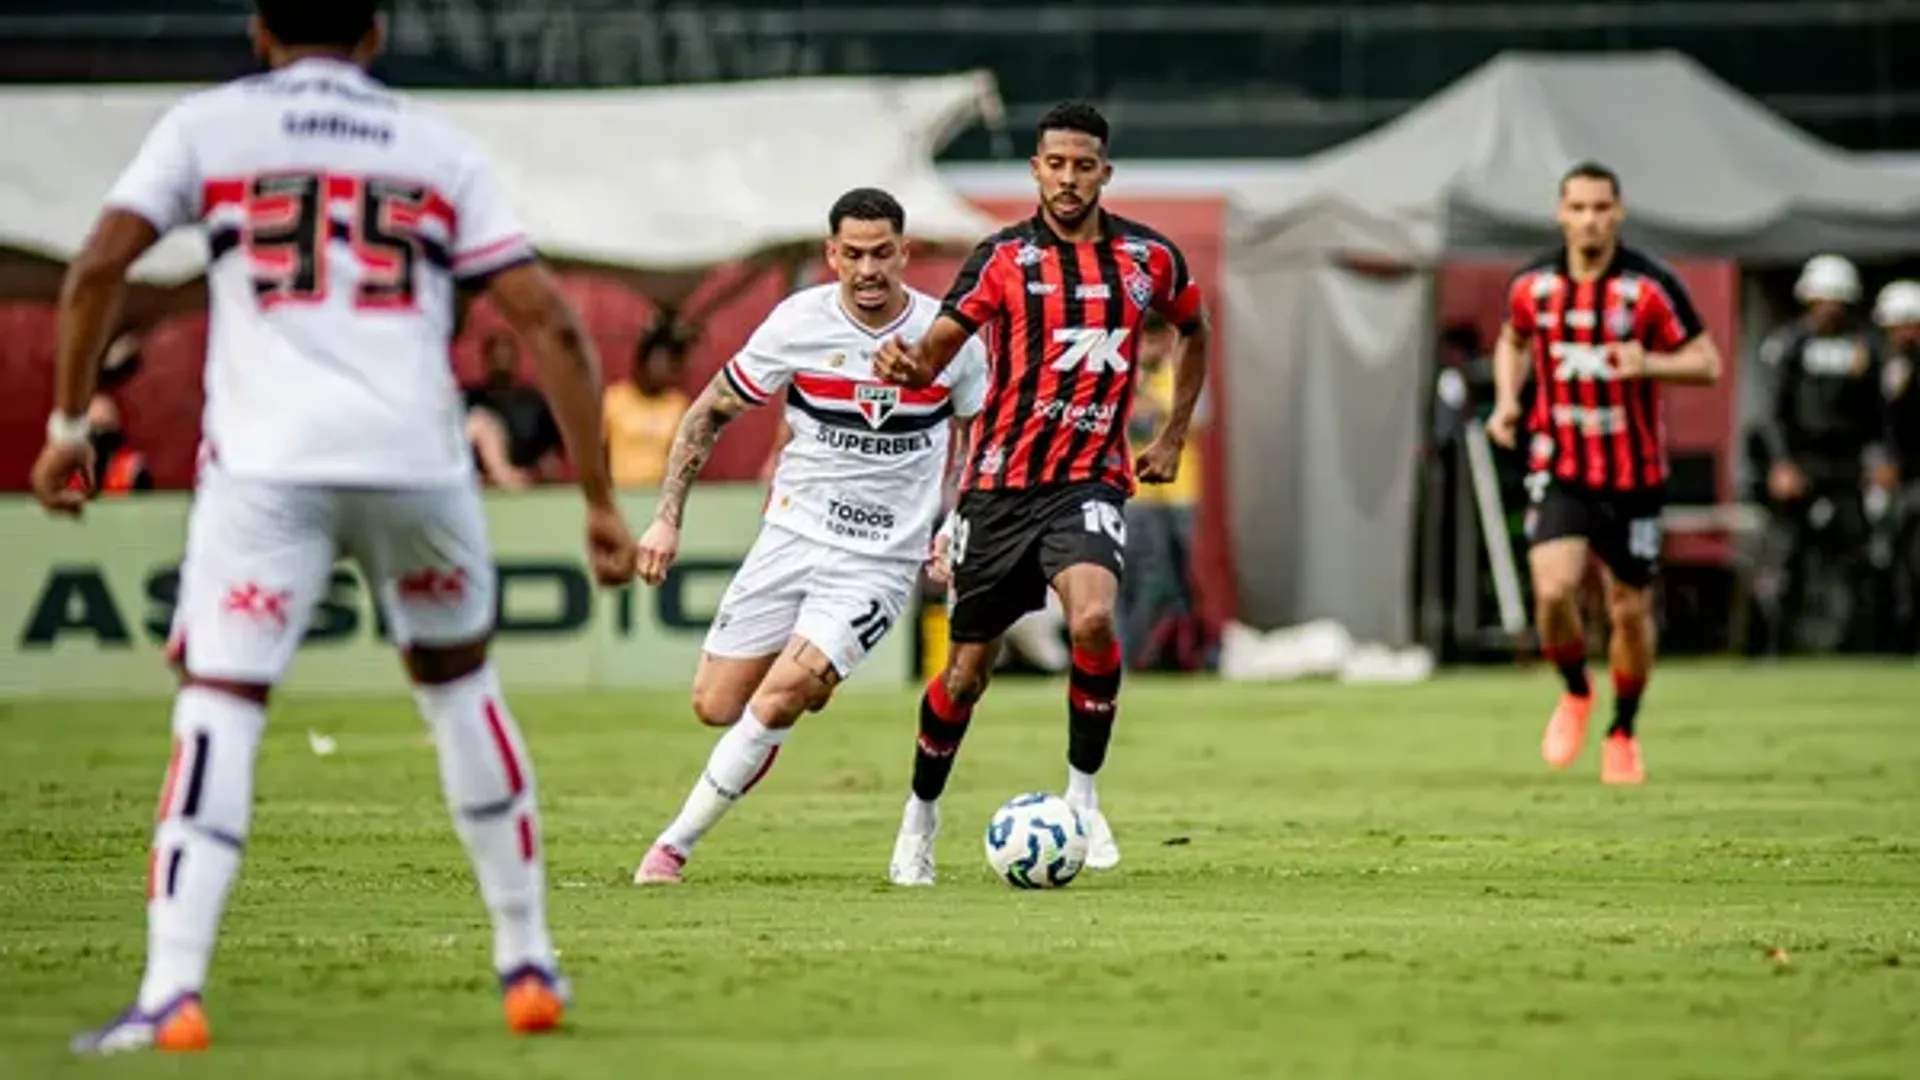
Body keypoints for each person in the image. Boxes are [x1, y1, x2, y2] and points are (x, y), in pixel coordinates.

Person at [30, 1, 638, 1053]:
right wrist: (595, 499)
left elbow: (94, 272)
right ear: (376, 34)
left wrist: (68, 426)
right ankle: (528, 961)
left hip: (267, 467)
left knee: (220, 706)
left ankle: (173, 990)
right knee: (460, 691)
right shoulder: (434, 144)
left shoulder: (209, 127)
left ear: (261, 31)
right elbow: (548, 322)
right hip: (416, 459)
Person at [873, 101, 1210, 884]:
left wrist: (1171, 434)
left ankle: (1083, 800)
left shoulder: (1146, 259)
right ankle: (919, 815)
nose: (1067, 179)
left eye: (1082, 165)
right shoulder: (998, 261)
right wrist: (906, 369)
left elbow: (1195, 328)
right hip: (998, 489)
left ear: (1104, 172)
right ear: (1035, 170)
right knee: (966, 675)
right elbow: (933, 358)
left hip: (1088, 478)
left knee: (1092, 619)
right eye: (1054, 165)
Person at [629, 187, 988, 885]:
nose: (868, 268)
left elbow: (983, 432)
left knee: (779, 697)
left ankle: (670, 849)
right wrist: (667, 516)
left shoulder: (946, 337)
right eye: (852, 254)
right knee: (716, 706)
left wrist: (958, 519)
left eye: (882, 252)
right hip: (789, 537)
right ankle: (810, 672)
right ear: (831, 255)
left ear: (904, 252)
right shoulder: (797, 324)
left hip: (879, 560)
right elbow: (708, 412)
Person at [1487, 160, 1721, 786]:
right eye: (1578, 208)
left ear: (1618, 213)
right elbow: (1512, 339)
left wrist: (1646, 362)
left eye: (1601, 208)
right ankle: (1574, 689)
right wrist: (1509, 402)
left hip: (1634, 476)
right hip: (1560, 464)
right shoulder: (1533, 286)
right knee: (1554, 591)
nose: (1589, 219)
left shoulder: (1647, 287)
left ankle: (1623, 728)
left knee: (1628, 611)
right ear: (1561, 214)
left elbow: (1707, 362)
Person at [1746, 255, 1896, 654]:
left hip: (1847, 464)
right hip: (1801, 461)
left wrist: (1879, 457)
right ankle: (1776, 647)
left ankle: (1862, 644)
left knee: (1859, 553)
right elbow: (1773, 412)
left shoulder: (1865, 347)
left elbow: (1878, 413)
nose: (1830, 307)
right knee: (1787, 555)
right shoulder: (1789, 344)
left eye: (1837, 299)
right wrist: (1781, 464)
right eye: (1823, 298)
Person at [466, 332, 563, 489]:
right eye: (496, 357)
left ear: (516, 359)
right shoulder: (470, 399)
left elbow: (550, 457)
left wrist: (535, 477)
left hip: (524, 481)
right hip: (478, 482)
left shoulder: (535, 401)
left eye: (506, 356)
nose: (501, 361)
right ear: (486, 360)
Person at [604, 316, 692, 488]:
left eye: (668, 364)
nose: (662, 370)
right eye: (657, 363)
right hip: (620, 491)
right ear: (642, 363)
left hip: (659, 495)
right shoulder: (614, 398)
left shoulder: (678, 405)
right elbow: (601, 453)